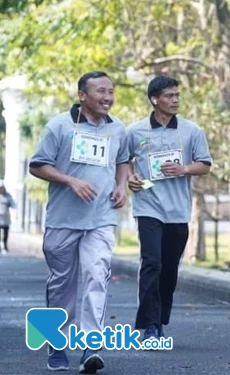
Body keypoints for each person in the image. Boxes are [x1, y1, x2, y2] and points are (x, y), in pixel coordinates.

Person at [29, 71, 130, 373]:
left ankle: (90, 346)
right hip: (63, 219)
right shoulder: (59, 126)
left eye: (110, 91)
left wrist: (122, 185)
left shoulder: (118, 129)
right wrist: (70, 180)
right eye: (100, 91)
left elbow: (124, 160)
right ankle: (56, 344)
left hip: (101, 218)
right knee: (61, 284)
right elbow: (37, 165)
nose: (108, 97)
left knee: (97, 275)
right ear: (82, 96)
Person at [127, 75, 212, 343]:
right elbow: (123, 161)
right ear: (155, 99)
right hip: (148, 206)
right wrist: (130, 177)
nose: (175, 100)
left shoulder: (191, 131)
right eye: (169, 96)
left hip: (178, 210)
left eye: (177, 95)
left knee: (169, 268)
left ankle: (160, 316)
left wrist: (184, 168)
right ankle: (151, 325)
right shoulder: (135, 131)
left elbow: (205, 164)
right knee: (151, 262)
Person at [0, 181, 17, 255]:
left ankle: (5, 245)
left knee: (5, 233)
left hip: (5, 218)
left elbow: (13, 205)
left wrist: (16, 213)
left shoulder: (7, 196)